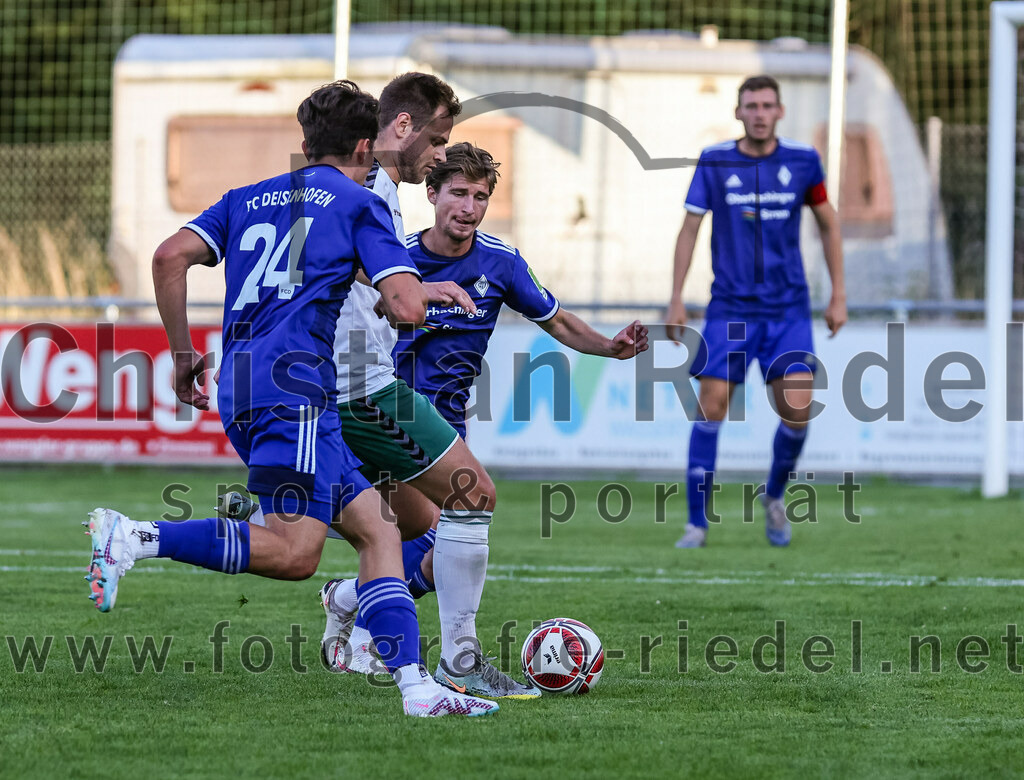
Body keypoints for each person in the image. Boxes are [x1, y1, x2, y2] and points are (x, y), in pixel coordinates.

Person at [84, 79, 498, 718]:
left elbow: (169, 258)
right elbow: (406, 306)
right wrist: (419, 291)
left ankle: (418, 690)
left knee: (380, 530)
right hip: (297, 389)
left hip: (245, 386)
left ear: (306, 142)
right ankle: (136, 537)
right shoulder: (361, 203)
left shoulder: (246, 197)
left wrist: (183, 355)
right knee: (295, 553)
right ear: (366, 143)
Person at [220, 74, 537, 698]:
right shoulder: (369, 195)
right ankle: (459, 664)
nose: (441, 155)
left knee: (408, 522)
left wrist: (412, 292)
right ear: (397, 130)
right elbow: (394, 300)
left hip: (313, 386)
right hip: (358, 388)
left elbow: (352, 279)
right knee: (471, 496)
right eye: (439, 140)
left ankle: (348, 596)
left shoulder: (329, 194)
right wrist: (420, 298)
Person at [388, 142, 647, 677]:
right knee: (457, 515)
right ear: (431, 193)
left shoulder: (499, 262)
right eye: (458, 193)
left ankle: (350, 600)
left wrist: (610, 348)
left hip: (447, 425)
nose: (468, 207)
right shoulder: (397, 258)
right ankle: (458, 661)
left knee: (433, 550)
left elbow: (557, 320)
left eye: (480, 197)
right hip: (392, 414)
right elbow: (359, 312)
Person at [664, 74, 847, 549]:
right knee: (712, 407)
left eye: (768, 105)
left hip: (788, 309)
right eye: (752, 105)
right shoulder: (715, 160)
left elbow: (829, 225)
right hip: (730, 308)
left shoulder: (804, 162)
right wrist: (676, 296)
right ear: (738, 113)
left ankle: (774, 495)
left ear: (780, 112)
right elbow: (689, 230)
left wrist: (838, 294)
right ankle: (696, 524)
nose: (760, 113)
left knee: (797, 410)